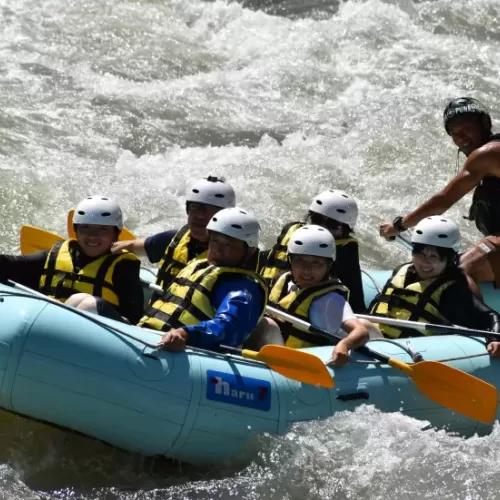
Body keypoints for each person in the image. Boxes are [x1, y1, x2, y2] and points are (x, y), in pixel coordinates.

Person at [379, 97, 500, 289]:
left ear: (484, 123)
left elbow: (442, 201)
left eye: (466, 128)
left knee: (459, 271)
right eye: (454, 133)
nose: (461, 137)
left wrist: (399, 225)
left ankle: (483, 319)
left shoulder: (489, 153)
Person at [138, 207, 268, 352]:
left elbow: (229, 328)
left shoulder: (243, 287)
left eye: (228, 244)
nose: (218, 249)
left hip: (186, 347)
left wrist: (186, 334)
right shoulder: (198, 266)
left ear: (249, 250)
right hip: (147, 332)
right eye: (215, 241)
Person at [0, 196, 144, 324]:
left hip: (95, 337)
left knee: (89, 304)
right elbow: (10, 264)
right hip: (44, 327)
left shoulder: (124, 268)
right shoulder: (54, 256)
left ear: (116, 234)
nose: (93, 236)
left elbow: (133, 321)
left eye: (103, 229)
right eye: (85, 228)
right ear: (76, 231)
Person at [111, 177, 248, 301]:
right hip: (158, 316)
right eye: (195, 207)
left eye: (210, 210)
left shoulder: (235, 257)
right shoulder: (174, 239)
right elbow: (129, 246)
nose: (200, 215)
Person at [250, 225, 369, 366]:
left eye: (317, 263)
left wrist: (345, 345)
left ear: (328, 266)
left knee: (268, 325)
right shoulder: (282, 281)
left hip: (298, 363)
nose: (307, 270)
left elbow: (361, 331)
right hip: (269, 351)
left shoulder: (330, 300)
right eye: (300, 260)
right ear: (290, 260)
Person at [368, 216, 500, 341]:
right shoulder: (401, 271)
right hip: (374, 337)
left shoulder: (451, 291)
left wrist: (494, 339)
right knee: (361, 325)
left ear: (450, 260)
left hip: (406, 349)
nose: (425, 262)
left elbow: (490, 317)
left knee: (363, 326)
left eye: (434, 257)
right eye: (420, 254)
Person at [260, 189, 365, 312]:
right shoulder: (292, 231)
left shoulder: (344, 251)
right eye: (317, 219)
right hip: (267, 296)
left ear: (346, 229)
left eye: (332, 224)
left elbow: (355, 300)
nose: (321, 227)